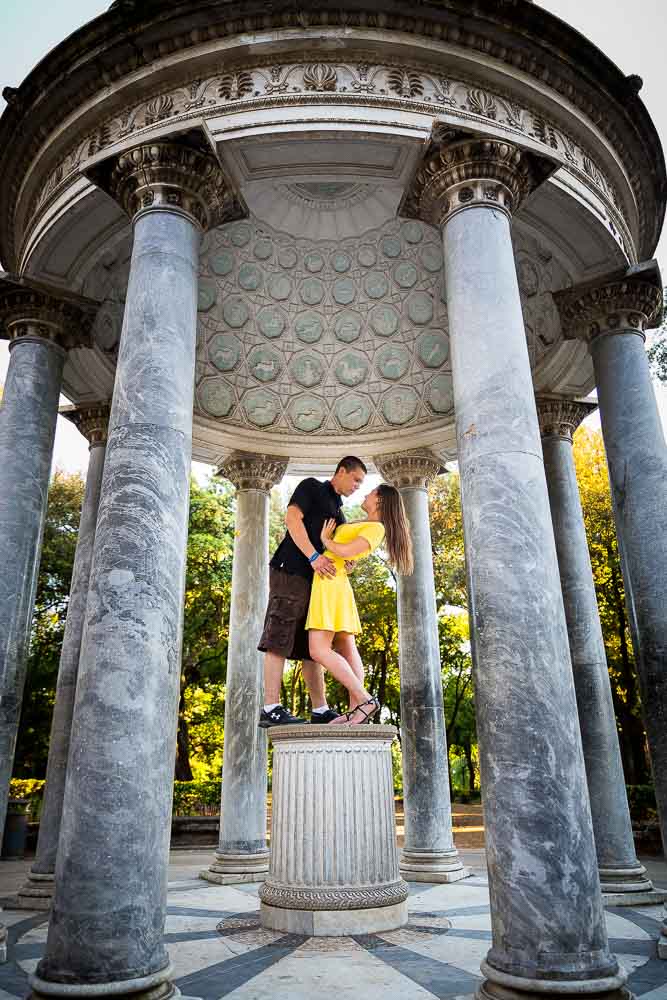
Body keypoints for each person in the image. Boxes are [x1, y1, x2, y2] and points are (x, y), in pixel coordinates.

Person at [257, 456, 367, 728]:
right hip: (291, 571)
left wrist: (346, 560)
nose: (357, 487)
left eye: (361, 483)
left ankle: (320, 709)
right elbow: (292, 519)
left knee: (312, 647)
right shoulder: (311, 487)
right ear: (341, 471)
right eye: (356, 480)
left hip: (317, 586)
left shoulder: (339, 512)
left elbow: (336, 549)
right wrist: (314, 557)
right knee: (278, 636)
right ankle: (270, 707)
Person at [306, 484, 414, 725]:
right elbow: (350, 554)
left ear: (380, 501)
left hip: (331, 584)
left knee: (318, 650)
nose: (365, 494)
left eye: (371, 492)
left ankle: (365, 700)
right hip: (334, 581)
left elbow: (345, 550)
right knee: (346, 645)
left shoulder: (376, 528)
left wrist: (325, 540)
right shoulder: (364, 523)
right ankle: (356, 710)